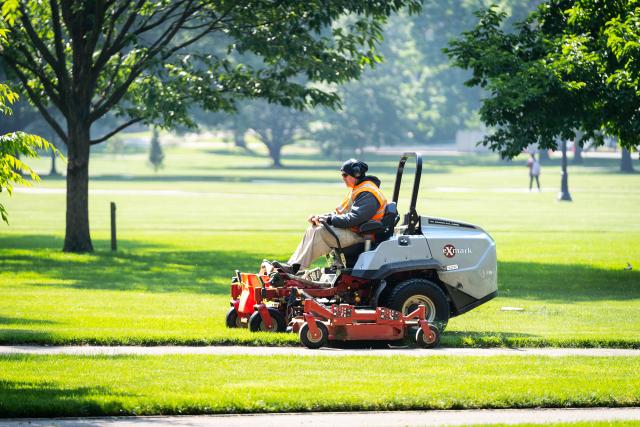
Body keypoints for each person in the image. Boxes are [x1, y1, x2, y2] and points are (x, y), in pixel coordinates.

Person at [274, 159, 387, 274]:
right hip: (354, 231)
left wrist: (328, 220)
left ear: (356, 174)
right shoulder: (358, 189)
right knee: (312, 229)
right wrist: (321, 217)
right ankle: (292, 265)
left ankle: (295, 268)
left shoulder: (367, 193)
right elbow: (341, 213)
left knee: (320, 231)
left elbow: (354, 219)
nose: (343, 178)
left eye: (345, 175)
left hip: (362, 235)